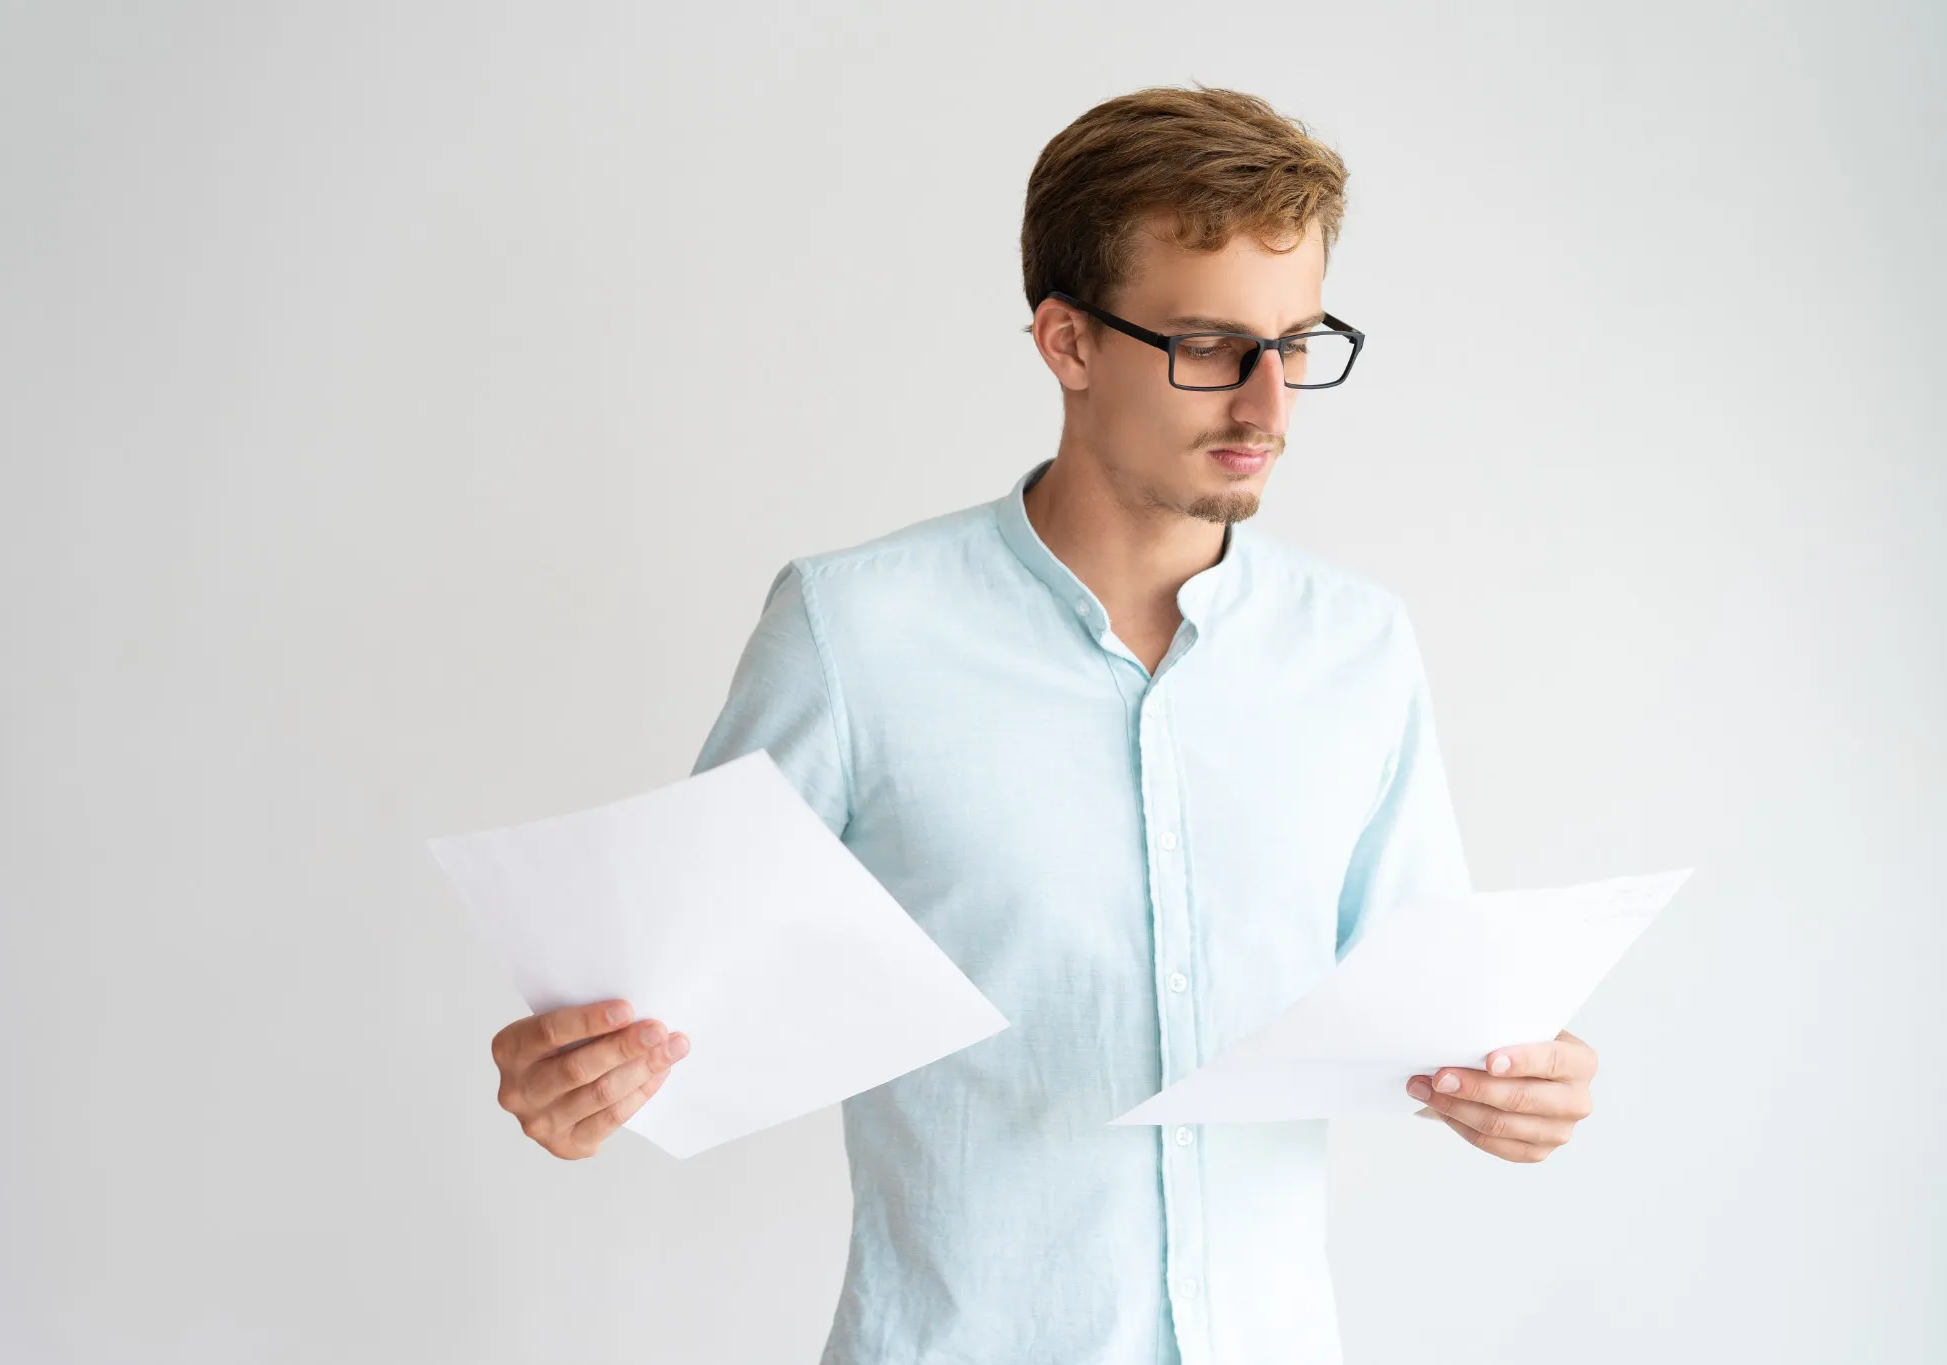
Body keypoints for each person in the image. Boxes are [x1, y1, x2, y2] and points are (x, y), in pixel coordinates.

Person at [486, 84, 1599, 1365]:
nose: (1267, 408)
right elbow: (661, 1001)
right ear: (1066, 342)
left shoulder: (1358, 648)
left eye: (1294, 343)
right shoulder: (855, 631)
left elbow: (1433, 1010)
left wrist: (1519, 1085)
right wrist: (573, 1083)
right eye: (1208, 346)